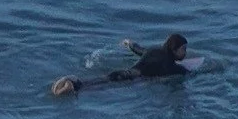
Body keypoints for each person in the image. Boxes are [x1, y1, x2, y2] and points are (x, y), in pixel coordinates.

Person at [51, 33, 191, 96]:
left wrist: (129, 43)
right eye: (183, 49)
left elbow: (138, 49)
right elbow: (185, 72)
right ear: (174, 49)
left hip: (125, 72)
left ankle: (72, 82)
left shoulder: (153, 50)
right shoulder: (172, 66)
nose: (185, 52)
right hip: (134, 79)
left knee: (100, 81)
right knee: (98, 87)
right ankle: (72, 86)